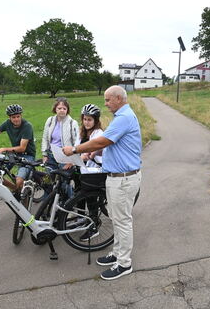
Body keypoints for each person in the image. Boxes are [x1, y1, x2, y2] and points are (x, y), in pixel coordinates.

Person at [63, 85, 142, 281]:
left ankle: (124, 263)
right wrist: (94, 152)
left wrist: (75, 149)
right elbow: (110, 145)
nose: (105, 104)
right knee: (116, 219)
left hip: (123, 178)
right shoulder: (121, 117)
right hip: (117, 177)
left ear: (118, 98)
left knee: (122, 221)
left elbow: (102, 141)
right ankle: (117, 253)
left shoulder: (123, 118)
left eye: (107, 100)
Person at [0, 104, 36, 192]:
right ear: (9, 118)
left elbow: (22, 148)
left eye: (18, 116)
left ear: (21, 115)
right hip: (14, 154)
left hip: (27, 155)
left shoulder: (27, 126)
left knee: (19, 181)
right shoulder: (7, 123)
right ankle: (16, 189)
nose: (16, 119)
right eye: (13, 117)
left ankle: (20, 192)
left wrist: (3, 149)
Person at [77, 104, 106, 242]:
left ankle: (94, 225)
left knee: (90, 198)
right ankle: (83, 217)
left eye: (89, 119)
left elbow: (93, 150)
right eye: (85, 119)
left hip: (96, 169)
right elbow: (77, 148)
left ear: (95, 120)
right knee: (78, 193)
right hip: (84, 169)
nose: (86, 122)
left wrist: (87, 155)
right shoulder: (82, 132)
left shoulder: (98, 133)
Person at [42, 97, 79, 197]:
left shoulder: (72, 123)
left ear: (67, 110)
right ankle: (46, 205)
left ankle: (69, 203)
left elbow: (77, 143)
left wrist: (72, 161)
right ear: (55, 109)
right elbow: (45, 138)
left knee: (63, 183)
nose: (62, 110)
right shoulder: (50, 121)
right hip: (51, 155)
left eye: (64, 108)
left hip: (65, 156)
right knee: (48, 181)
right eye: (59, 108)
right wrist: (44, 154)